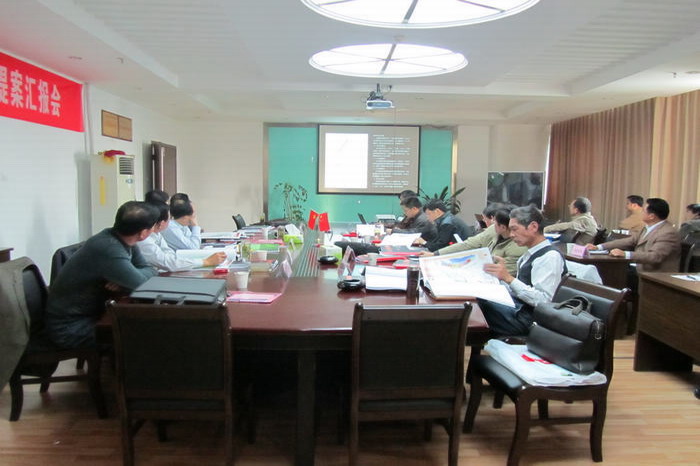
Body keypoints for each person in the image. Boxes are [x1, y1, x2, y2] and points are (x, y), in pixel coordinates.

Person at [45, 201, 159, 349]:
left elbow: (149, 270)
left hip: (89, 314)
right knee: (143, 334)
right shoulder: (109, 249)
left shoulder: (120, 238)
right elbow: (143, 284)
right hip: (71, 328)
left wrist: (124, 281)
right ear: (143, 233)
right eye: (152, 228)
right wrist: (129, 279)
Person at [479, 205, 567, 337]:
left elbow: (545, 301)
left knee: (479, 307)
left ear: (533, 227)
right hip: (520, 311)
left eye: (514, 229)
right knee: (479, 298)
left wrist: (509, 278)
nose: (511, 234)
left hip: (531, 321)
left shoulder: (549, 257)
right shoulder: (529, 254)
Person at [586, 198, 681, 274]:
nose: (641, 213)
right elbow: (629, 241)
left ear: (651, 216)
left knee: (608, 272)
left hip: (655, 274)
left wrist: (625, 254)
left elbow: (655, 256)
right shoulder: (647, 227)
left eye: (643, 211)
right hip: (640, 268)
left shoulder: (667, 232)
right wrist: (598, 247)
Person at [138, 201, 226, 271]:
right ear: (161, 223)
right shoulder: (144, 240)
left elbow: (169, 254)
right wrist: (205, 262)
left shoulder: (157, 234)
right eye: (169, 218)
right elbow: (167, 262)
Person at [421, 202, 504, 256]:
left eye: (485, 220)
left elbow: (441, 245)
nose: (484, 223)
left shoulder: (447, 223)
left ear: (493, 219)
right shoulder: (447, 219)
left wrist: (433, 252)